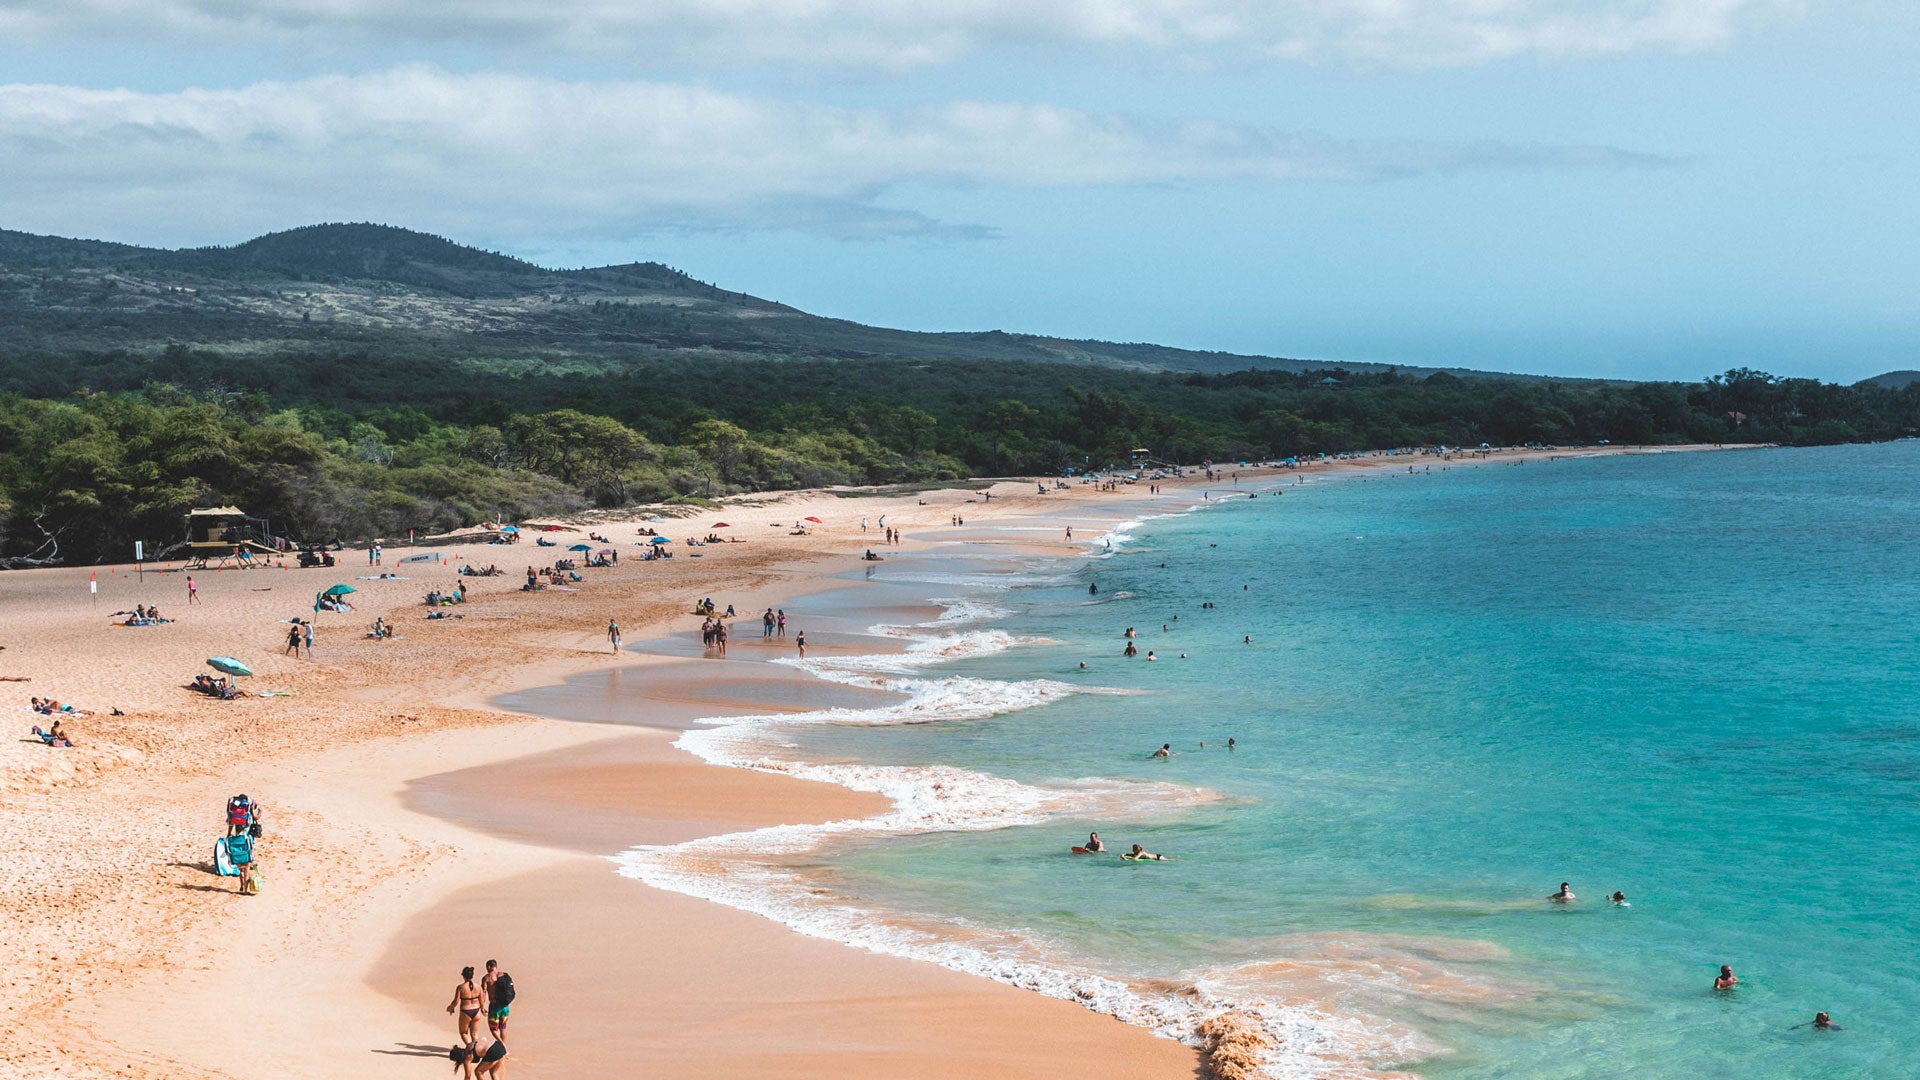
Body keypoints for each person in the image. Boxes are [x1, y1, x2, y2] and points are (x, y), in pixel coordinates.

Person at [448, 966, 486, 1041]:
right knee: (474, 1034)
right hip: (477, 1011)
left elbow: (455, 1002)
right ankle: (475, 1050)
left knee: (463, 1033)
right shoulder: (478, 987)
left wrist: (450, 1008)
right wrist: (482, 1009)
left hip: (466, 1012)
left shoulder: (460, 987)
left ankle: (469, 1049)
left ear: (463, 975)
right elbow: (482, 999)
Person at [482, 960, 514, 1040]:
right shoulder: (504, 976)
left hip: (494, 1006)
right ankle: (503, 1048)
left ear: (489, 967)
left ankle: (502, 1045)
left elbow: (483, 992)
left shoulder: (486, 978)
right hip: (505, 1006)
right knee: (503, 1028)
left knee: (493, 1028)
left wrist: (482, 1006)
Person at [227, 826, 256, 895]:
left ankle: (242, 885)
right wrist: (253, 860)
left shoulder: (232, 839)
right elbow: (251, 848)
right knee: (246, 874)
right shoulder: (248, 837)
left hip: (237, 857)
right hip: (246, 856)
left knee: (241, 872)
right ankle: (245, 891)